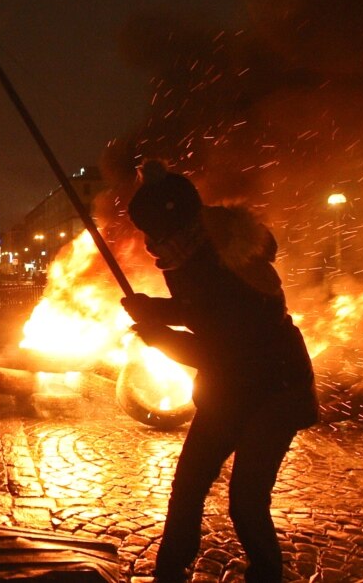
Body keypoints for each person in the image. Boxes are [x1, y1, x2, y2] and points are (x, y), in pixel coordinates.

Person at [120, 160, 317, 583]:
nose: (149, 245)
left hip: (275, 391)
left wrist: (155, 332)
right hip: (230, 389)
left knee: (246, 498)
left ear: (174, 226)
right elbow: (198, 309)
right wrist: (152, 308)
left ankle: (266, 576)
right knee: (188, 484)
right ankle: (169, 573)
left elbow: (214, 346)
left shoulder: (228, 264)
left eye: (154, 234)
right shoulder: (193, 250)